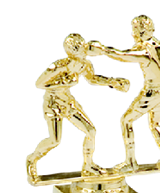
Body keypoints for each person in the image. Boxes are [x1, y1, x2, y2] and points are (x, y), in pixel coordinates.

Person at [26, 33, 129, 181]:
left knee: (90, 131)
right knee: (55, 140)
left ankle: (88, 165)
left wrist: (112, 82)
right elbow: (40, 84)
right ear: (71, 51)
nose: (84, 51)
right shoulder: (59, 65)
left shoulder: (84, 64)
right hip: (53, 104)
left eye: (83, 47)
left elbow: (92, 79)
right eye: (79, 49)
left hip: (68, 102)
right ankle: (32, 160)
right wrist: (63, 83)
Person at [89, 16, 160, 173]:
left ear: (141, 32)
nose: (132, 34)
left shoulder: (145, 53)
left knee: (126, 121)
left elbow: (123, 56)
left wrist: (103, 50)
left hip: (151, 93)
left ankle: (131, 162)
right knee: (154, 124)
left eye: (135, 30)